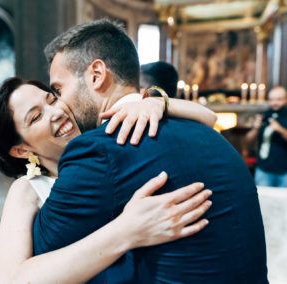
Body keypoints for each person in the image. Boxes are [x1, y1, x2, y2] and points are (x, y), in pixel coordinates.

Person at [34, 19, 268, 283]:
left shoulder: (100, 149)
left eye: (58, 90)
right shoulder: (209, 135)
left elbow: (40, 254)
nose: (60, 107)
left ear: (96, 75)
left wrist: (25, 188)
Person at [0, 77, 217, 283]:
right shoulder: (27, 188)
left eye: (52, 99)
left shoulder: (102, 140)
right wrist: (127, 231)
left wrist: (156, 103)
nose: (55, 112)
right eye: (36, 116)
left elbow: (209, 117)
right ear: (21, 150)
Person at [245, 86, 287, 187]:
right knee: (262, 201)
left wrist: (280, 129)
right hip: (263, 169)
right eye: (271, 99)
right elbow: (247, 142)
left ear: (285, 99)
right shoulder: (264, 116)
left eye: (278, 99)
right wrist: (255, 129)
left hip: (284, 171)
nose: (274, 103)